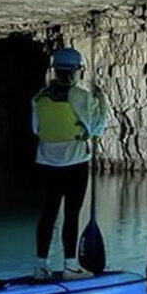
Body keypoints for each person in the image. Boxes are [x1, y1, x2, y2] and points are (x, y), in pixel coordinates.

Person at [32, 47, 110, 279]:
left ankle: (40, 266)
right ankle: (69, 266)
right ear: (77, 71)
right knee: (71, 214)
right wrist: (101, 102)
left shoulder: (39, 97)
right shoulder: (81, 97)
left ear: (55, 70)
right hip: (75, 163)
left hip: (46, 163)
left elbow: (35, 129)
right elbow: (97, 128)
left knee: (47, 214)